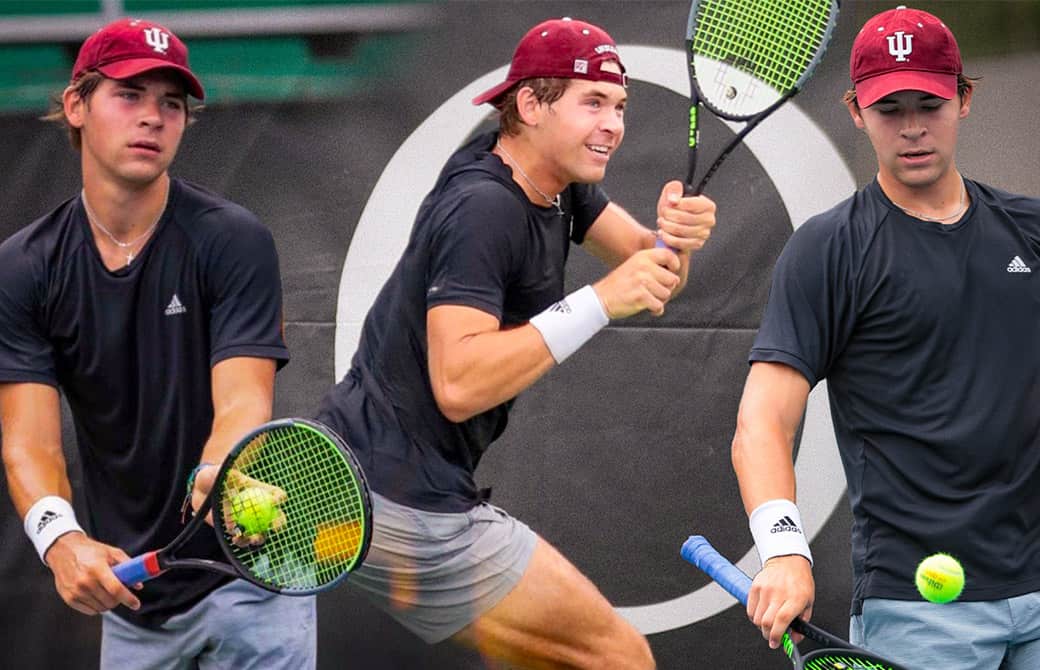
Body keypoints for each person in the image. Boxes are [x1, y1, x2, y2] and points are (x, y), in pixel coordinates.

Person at [314, 16, 716, 669]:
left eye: (619, 106)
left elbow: (653, 275)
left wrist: (675, 239)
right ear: (529, 104)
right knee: (620, 659)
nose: (613, 123)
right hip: (401, 498)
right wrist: (599, 300)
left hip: (362, 477)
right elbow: (459, 385)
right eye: (592, 102)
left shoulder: (553, 180)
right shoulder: (484, 207)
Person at [730, 5, 1040, 668]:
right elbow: (762, 421)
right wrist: (783, 549)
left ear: (964, 99)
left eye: (928, 103)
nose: (911, 128)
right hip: (918, 609)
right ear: (854, 111)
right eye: (888, 108)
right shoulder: (827, 250)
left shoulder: (1030, 232)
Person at [0, 18, 314, 669]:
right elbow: (28, 442)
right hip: (135, 600)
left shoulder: (234, 240)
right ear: (76, 105)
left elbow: (242, 402)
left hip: (254, 585)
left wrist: (215, 472)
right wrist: (62, 542)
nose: (153, 117)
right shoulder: (24, 268)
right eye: (130, 95)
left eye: (171, 102)